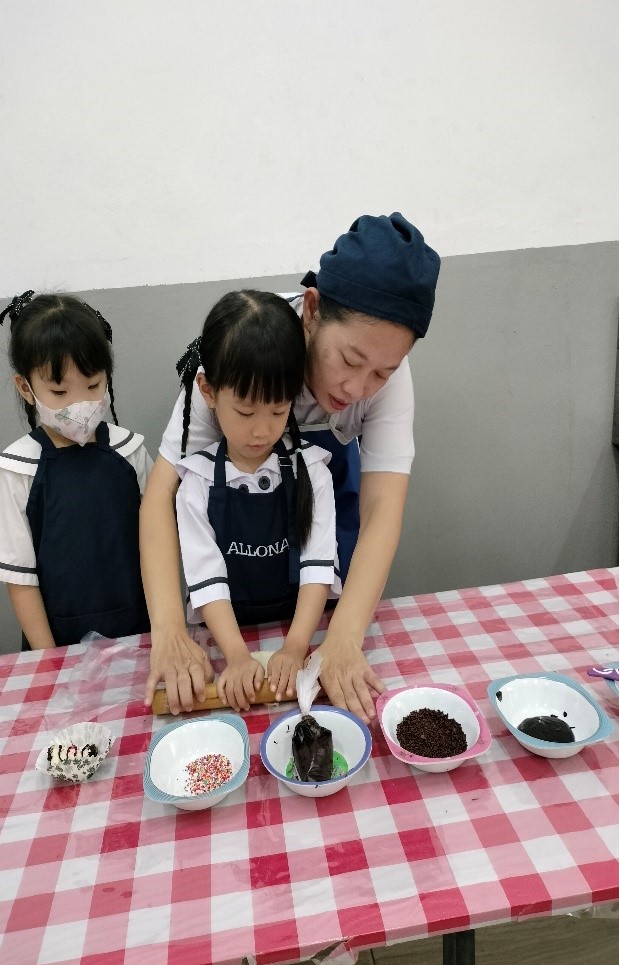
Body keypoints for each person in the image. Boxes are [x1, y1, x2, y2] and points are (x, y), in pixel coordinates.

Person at [141, 213, 440, 720]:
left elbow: (383, 508)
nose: (357, 389)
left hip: (316, 578)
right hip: (233, 595)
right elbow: (160, 498)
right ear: (313, 309)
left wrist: (343, 636)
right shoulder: (246, 352)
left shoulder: (388, 371)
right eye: (349, 361)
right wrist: (169, 630)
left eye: (381, 374)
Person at [175, 290, 340, 712]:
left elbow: (317, 566)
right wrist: (236, 656)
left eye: (278, 410)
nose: (262, 430)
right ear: (208, 391)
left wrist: (295, 647)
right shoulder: (196, 484)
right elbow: (206, 577)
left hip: (298, 625)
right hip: (225, 635)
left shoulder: (312, 470)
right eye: (246, 412)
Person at [0, 291, 153, 649]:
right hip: (56, 646)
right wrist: (50, 662)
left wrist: (163, 633)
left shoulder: (130, 451)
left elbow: (157, 548)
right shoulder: (15, 470)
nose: (80, 404)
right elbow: (20, 580)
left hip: (140, 636)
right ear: (26, 388)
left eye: (93, 386)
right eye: (59, 391)